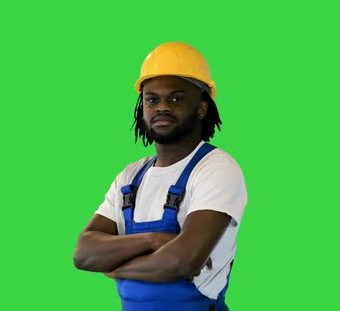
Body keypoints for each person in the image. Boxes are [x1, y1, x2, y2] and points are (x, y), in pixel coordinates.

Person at [73, 42, 248, 311]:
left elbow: (183, 261)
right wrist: (152, 240)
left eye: (176, 98)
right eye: (152, 99)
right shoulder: (130, 177)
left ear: (201, 108)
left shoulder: (216, 168)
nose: (162, 107)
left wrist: (116, 267)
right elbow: (84, 254)